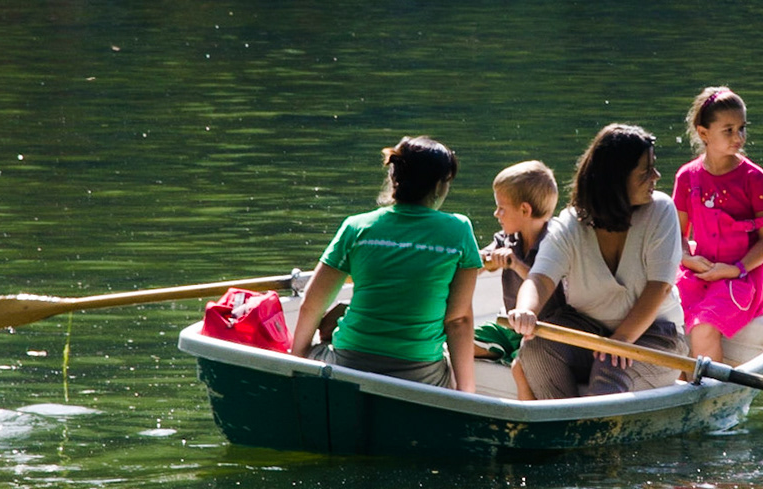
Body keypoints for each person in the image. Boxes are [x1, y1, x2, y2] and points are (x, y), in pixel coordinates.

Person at [505, 124, 687, 399]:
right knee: (536, 348)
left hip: (656, 335)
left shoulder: (661, 210)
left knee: (610, 364)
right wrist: (525, 310)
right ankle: (566, 427)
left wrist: (621, 341)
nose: (656, 177)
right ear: (616, 178)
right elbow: (540, 278)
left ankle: (592, 430)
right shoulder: (569, 224)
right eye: (646, 171)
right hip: (587, 331)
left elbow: (658, 287)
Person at [288, 136, 483, 393]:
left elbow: (312, 305)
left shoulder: (356, 227)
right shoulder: (459, 230)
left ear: (394, 178)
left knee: (328, 329)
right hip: (420, 374)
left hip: (349, 363)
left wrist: (298, 360)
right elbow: (458, 320)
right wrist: (466, 394)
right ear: (440, 186)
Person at [674, 87, 763, 368]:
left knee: (704, 326)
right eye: (729, 130)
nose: (739, 137)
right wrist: (687, 258)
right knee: (664, 316)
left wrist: (735, 269)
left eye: (742, 128)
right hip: (700, 271)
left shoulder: (754, 178)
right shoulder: (687, 177)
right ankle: (676, 386)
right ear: (703, 133)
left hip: (744, 275)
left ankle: (706, 393)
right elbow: (678, 236)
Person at [474, 160, 560, 400]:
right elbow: (477, 261)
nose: (496, 214)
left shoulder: (556, 242)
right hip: (511, 327)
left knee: (521, 369)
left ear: (525, 210)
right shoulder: (507, 238)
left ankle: (528, 421)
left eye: (501, 208)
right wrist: (485, 261)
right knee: (457, 344)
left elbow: (548, 286)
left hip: (545, 333)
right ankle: (503, 348)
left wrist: (517, 265)